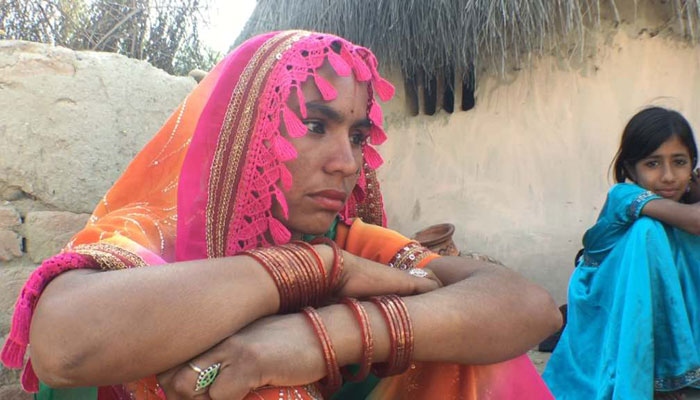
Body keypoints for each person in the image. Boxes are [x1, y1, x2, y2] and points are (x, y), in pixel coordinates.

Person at [1, 30, 561, 400]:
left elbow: (527, 308)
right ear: (247, 131)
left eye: (358, 134)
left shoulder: (349, 238)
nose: (346, 163)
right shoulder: (153, 234)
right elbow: (64, 346)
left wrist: (318, 337)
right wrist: (315, 270)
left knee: (468, 358)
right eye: (315, 126)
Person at [543, 106, 700, 399]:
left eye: (679, 162)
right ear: (630, 169)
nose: (668, 176)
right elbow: (695, 220)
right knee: (648, 230)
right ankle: (655, 374)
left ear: (692, 164)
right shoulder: (623, 195)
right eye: (653, 164)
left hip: (650, 301)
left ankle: (677, 368)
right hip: (607, 303)